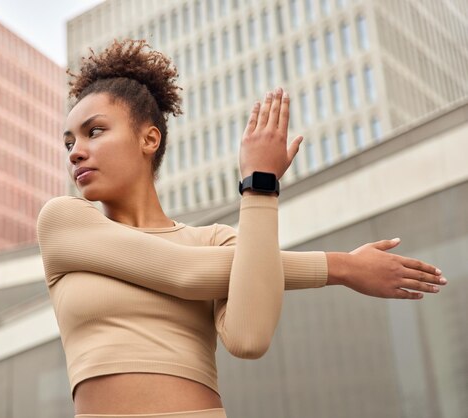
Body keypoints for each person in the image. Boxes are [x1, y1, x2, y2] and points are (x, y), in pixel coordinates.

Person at [36, 39, 446, 418]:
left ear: (149, 138)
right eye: (69, 142)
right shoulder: (64, 223)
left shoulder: (217, 242)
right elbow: (185, 273)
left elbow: (249, 339)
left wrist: (260, 185)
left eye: (95, 131)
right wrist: (342, 267)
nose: (76, 153)